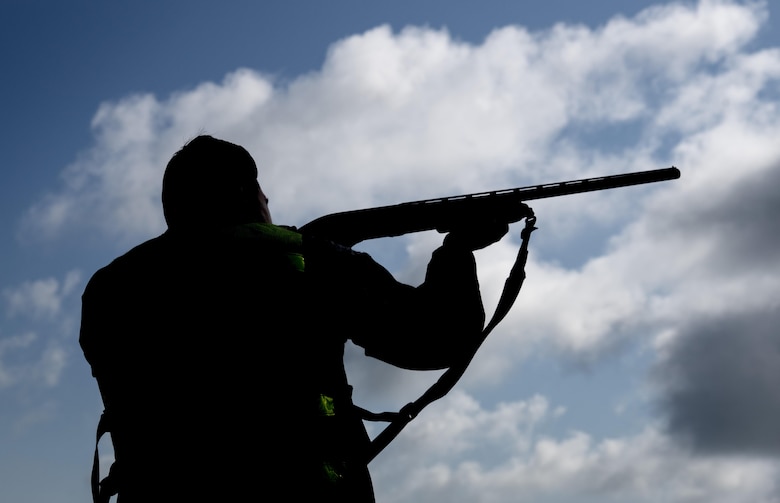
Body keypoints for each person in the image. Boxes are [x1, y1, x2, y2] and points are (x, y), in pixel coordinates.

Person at [80, 135, 508, 502]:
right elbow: (434, 338)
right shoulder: (305, 258)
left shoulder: (108, 289)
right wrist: (457, 250)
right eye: (263, 194)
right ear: (246, 193)